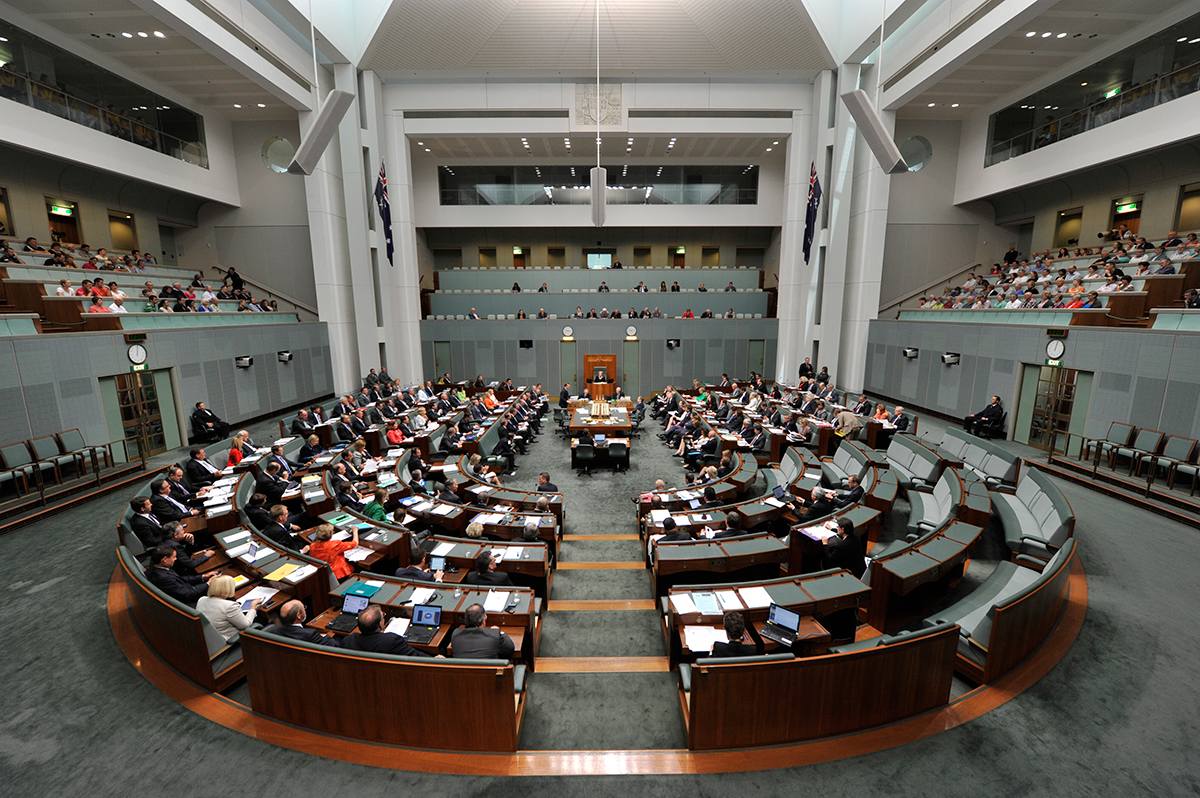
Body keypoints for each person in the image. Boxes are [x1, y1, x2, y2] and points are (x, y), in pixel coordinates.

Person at [340, 605, 433, 657]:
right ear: (380, 624)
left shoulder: (348, 641)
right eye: (383, 615)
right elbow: (415, 656)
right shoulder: (392, 641)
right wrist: (434, 659)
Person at [146, 546, 218, 608]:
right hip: (192, 601)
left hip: (187, 590)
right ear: (164, 559)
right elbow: (189, 595)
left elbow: (180, 579)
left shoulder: (159, 568)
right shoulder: (164, 578)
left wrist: (203, 577)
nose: (176, 559)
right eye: (174, 557)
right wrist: (208, 583)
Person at [196, 575, 260, 642]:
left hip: (209, 639)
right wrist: (253, 606)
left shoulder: (202, 599)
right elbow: (246, 625)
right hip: (229, 641)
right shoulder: (230, 606)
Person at [451, 603, 515, 660]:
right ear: (483, 621)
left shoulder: (455, 635)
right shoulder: (493, 635)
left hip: (464, 673)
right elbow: (510, 648)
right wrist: (500, 632)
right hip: (489, 673)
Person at [268, 600, 340, 646]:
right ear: (298, 616)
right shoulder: (310, 634)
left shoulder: (273, 632)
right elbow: (331, 644)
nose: (305, 610)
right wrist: (324, 636)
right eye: (304, 608)